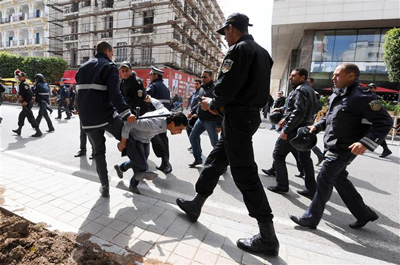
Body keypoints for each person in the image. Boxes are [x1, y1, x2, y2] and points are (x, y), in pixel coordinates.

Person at [176, 13, 279, 256]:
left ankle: (267, 236)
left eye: (225, 33)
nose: (225, 39)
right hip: (248, 116)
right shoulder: (263, 53)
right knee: (215, 160)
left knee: (245, 174)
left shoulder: (238, 50)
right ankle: (195, 204)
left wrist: (212, 102)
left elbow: (227, 86)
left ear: (231, 28)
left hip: (239, 116)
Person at [290, 63, 392, 230]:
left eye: (337, 75)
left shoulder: (363, 97)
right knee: (339, 180)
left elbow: (384, 122)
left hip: (345, 148)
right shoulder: (338, 94)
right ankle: (364, 213)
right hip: (332, 145)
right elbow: (329, 117)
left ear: (351, 76)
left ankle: (310, 218)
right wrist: (316, 127)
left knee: (324, 178)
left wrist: (364, 143)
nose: (333, 78)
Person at [75, 41, 135, 197]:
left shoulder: (82, 67)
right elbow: (114, 94)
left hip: (87, 120)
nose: (112, 56)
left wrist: (78, 109)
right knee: (130, 137)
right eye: (113, 53)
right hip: (105, 115)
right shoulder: (109, 66)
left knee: (98, 152)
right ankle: (137, 169)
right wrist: (126, 114)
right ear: (108, 51)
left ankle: (105, 187)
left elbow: (78, 92)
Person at [115, 97, 188, 194]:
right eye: (179, 129)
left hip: (146, 139)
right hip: (134, 138)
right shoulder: (152, 124)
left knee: (141, 161)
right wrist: (123, 141)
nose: (179, 133)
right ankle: (133, 185)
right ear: (173, 123)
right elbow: (129, 123)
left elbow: (159, 104)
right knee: (142, 166)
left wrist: (150, 99)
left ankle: (121, 167)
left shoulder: (167, 113)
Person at [188, 70, 218, 167]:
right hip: (201, 120)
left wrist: (219, 124)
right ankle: (198, 159)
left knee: (215, 144)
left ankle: (221, 163)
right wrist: (192, 112)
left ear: (211, 77)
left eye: (205, 77)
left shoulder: (215, 89)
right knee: (192, 137)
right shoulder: (201, 89)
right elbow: (199, 103)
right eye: (202, 77)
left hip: (211, 121)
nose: (203, 79)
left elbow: (220, 106)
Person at [147, 66, 173, 174]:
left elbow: (145, 98)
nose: (149, 76)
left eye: (151, 74)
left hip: (155, 119)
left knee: (156, 141)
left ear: (155, 75)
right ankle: (165, 163)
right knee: (163, 139)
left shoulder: (153, 87)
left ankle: (166, 163)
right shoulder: (165, 88)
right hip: (164, 118)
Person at [12, 70, 42, 137]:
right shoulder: (22, 83)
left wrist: (26, 101)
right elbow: (22, 94)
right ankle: (19, 130)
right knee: (21, 116)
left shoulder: (24, 84)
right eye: (18, 76)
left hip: (27, 104)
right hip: (25, 103)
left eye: (20, 76)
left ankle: (38, 131)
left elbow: (30, 94)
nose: (19, 77)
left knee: (30, 118)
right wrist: (19, 96)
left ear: (23, 77)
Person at [367, 83, 392, 158]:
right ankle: (386, 149)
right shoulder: (369, 96)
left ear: (375, 88)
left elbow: (377, 109)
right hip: (372, 119)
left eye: (371, 88)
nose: (369, 89)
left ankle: (386, 149)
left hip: (376, 119)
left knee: (374, 134)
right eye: (369, 87)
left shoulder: (375, 97)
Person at [308, 77, 324, 166]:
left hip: (308, 121)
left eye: (308, 82)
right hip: (301, 120)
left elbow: (319, 107)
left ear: (312, 83)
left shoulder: (314, 93)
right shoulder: (304, 90)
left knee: (306, 142)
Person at [186, 79, 202, 151]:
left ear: (200, 84)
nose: (195, 85)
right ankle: (193, 145)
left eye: (197, 84)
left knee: (195, 132)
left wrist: (197, 113)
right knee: (189, 129)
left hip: (196, 114)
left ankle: (198, 148)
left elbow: (200, 104)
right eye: (195, 84)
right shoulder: (194, 91)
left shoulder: (201, 92)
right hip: (192, 113)